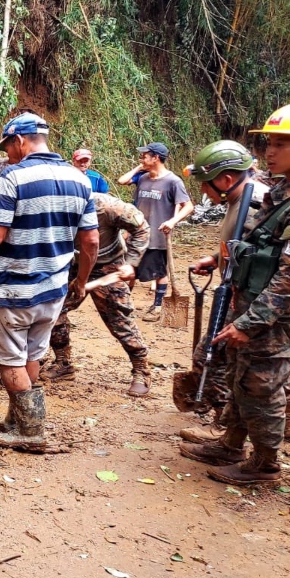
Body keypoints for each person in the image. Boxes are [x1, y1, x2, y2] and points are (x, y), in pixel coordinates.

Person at [0, 112, 99, 451]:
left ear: (19, 141)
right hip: (54, 288)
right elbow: (90, 242)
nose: (7, 155)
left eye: (8, 147)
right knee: (32, 353)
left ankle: (30, 432)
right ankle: (18, 420)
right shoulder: (79, 179)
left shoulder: (13, 178)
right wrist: (81, 281)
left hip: (15, 286)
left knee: (9, 359)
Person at [179, 108, 290, 485]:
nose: (268, 152)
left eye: (281, 144)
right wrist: (219, 260)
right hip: (251, 302)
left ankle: (265, 465)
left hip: (272, 317)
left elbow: (288, 278)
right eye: (270, 142)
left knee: (262, 387)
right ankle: (231, 444)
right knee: (242, 379)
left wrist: (249, 322)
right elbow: (256, 243)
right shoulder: (280, 193)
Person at [173, 141, 269, 444]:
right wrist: (216, 259)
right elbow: (243, 248)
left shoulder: (258, 205)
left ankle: (223, 427)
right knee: (221, 359)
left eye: (206, 185)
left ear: (226, 180)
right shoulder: (237, 203)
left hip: (255, 301)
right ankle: (229, 430)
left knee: (213, 357)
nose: (204, 192)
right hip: (237, 292)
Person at [44, 192, 152, 396]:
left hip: (108, 266)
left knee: (119, 320)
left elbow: (142, 228)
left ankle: (141, 369)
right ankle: (63, 363)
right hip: (72, 265)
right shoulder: (49, 207)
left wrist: (131, 263)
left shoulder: (108, 207)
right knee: (53, 311)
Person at [117, 142, 193, 321]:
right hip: (137, 234)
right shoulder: (142, 178)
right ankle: (123, 304)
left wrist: (172, 221)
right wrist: (139, 168)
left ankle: (157, 306)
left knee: (159, 272)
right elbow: (123, 181)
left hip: (158, 236)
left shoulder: (173, 181)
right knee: (130, 269)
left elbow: (188, 206)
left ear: (156, 158)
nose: (141, 158)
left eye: (144, 155)